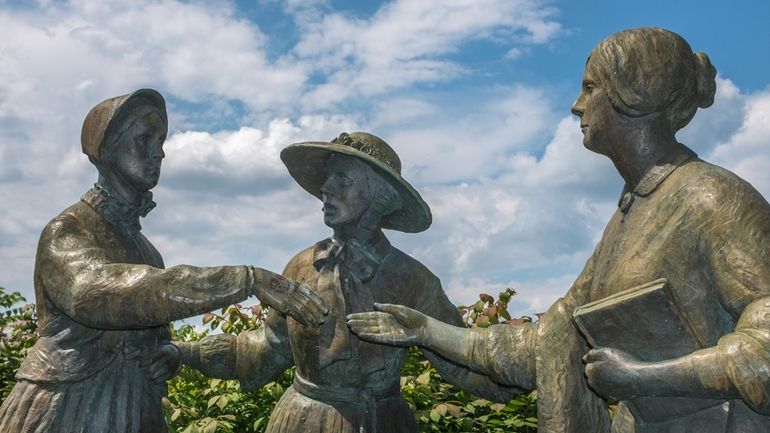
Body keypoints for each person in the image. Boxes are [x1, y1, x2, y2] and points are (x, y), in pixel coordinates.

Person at [347, 28, 770, 433]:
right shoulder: (632, 212)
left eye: (590, 88)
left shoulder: (712, 198)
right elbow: (548, 341)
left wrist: (644, 378)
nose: (576, 105)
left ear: (633, 95)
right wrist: (427, 330)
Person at [0, 89, 327, 433]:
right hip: (69, 407)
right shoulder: (68, 230)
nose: (159, 151)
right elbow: (97, 293)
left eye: (160, 140)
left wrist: (167, 354)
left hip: (136, 406)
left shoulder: (147, 250)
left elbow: (150, 329)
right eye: (143, 139)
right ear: (105, 149)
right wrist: (247, 280)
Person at [176, 132, 519, 433]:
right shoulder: (301, 267)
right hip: (301, 421)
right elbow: (269, 347)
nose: (325, 188)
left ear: (380, 195)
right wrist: (184, 353)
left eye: (342, 179)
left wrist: (522, 374)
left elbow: (458, 358)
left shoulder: (414, 280)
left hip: (382, 422)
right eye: (327, 179)